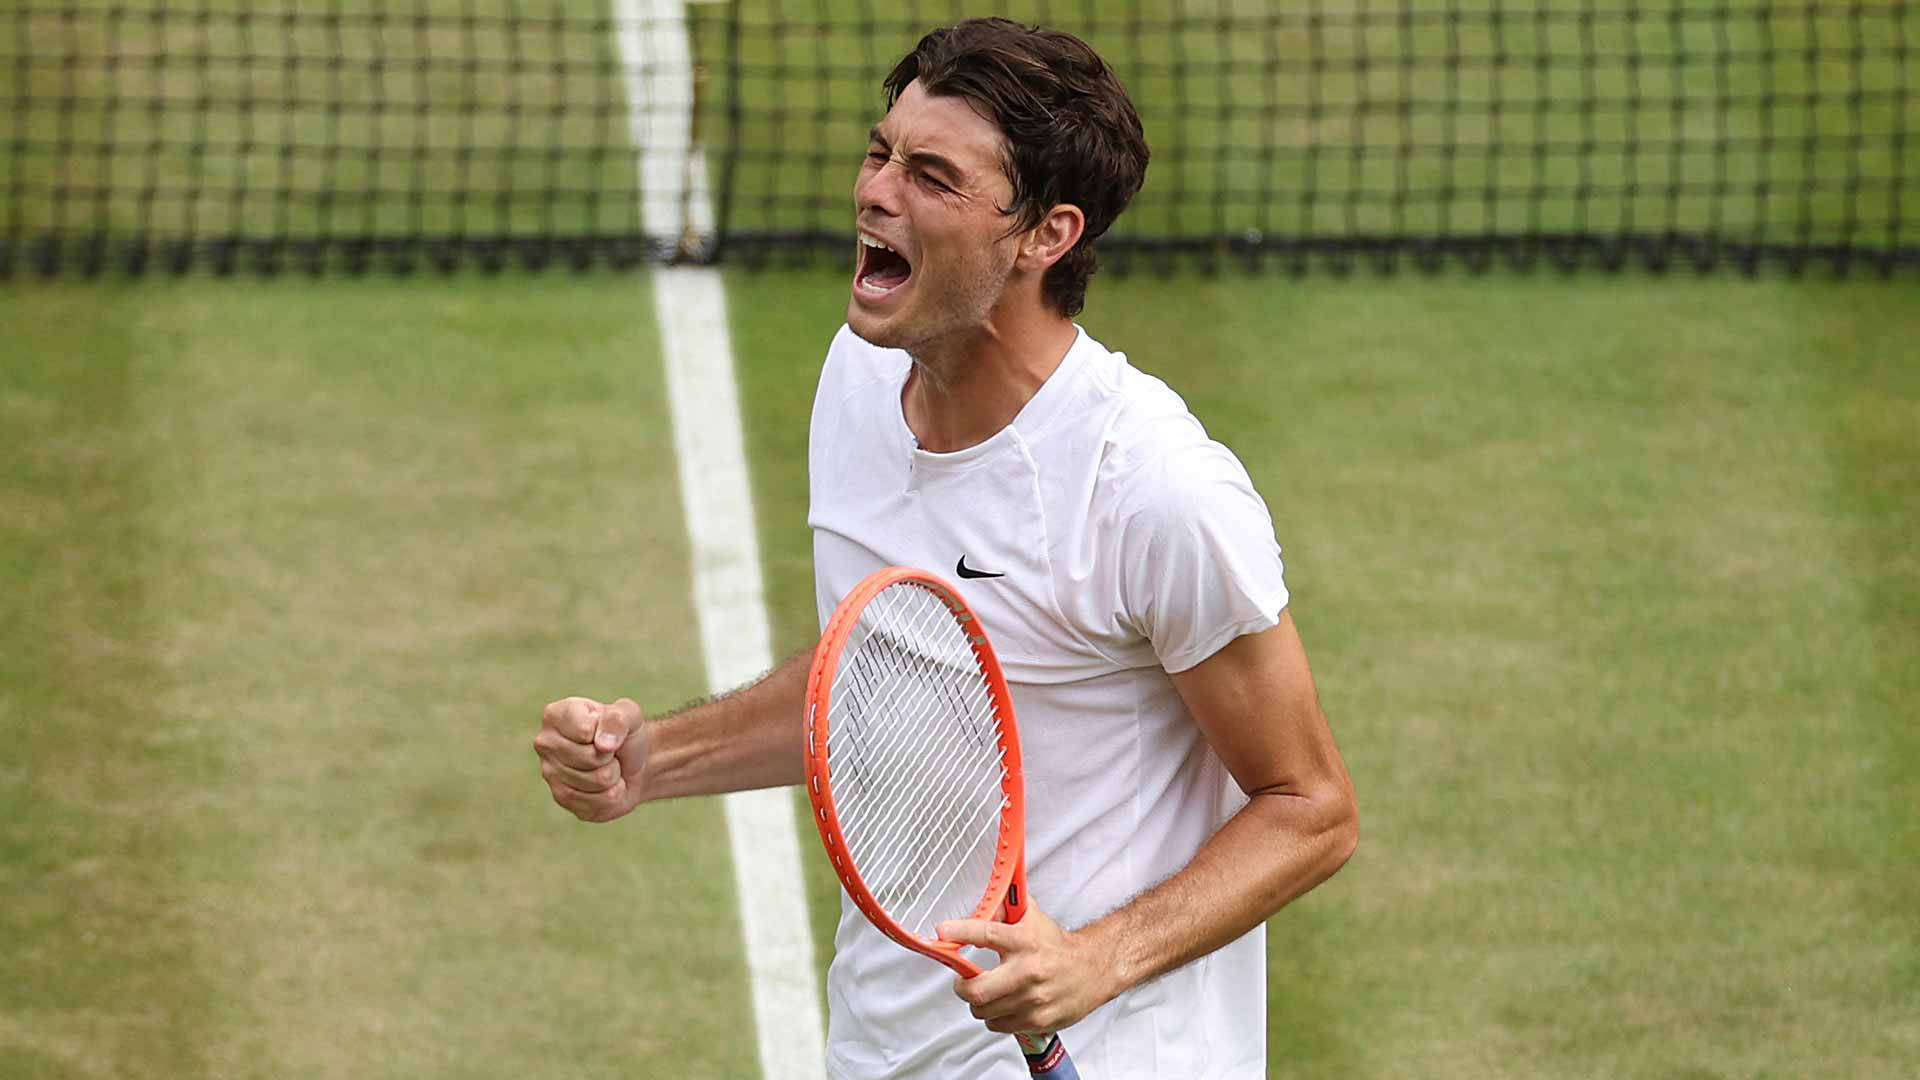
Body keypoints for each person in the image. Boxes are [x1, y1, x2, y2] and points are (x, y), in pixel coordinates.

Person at [534, 18, 1357, 1079]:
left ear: (1045, 235)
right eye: (880, 153)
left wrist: (1096, 959)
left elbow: (1310, 808)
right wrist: (656, 759)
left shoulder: (1153, 491)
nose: (876, 192)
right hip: (885, 1050)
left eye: (931, 176)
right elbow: (878, 684)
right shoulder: (861, 379)